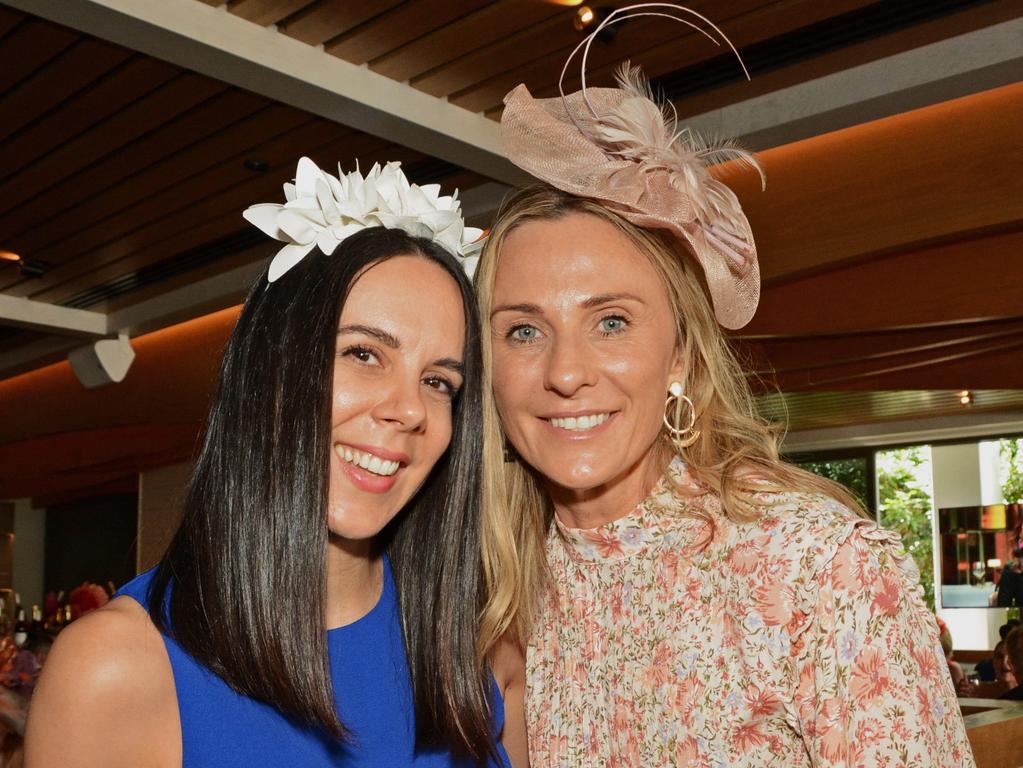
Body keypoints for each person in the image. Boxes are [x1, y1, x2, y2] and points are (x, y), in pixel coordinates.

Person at [472, 5, 974, 766]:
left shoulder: (820, 568)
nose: (565, 371)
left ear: (679, 356)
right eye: (522, 329)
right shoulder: (492, 584)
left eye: (610, 321)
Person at [25, 158, 525, 767]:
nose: (408, 409)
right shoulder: (117, 668)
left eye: (440, 382)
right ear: (270, 373)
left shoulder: (476, 652)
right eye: (364, 353)